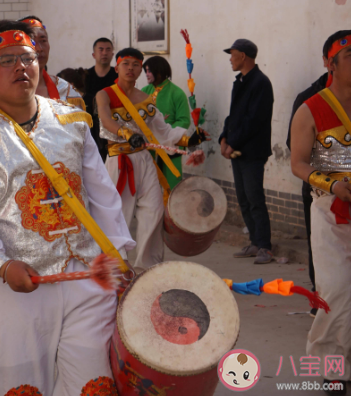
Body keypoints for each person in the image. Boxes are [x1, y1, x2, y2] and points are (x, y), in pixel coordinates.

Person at [0, 20, 135, 395]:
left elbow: (102, 194)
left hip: (87, 275)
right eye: (5, 60)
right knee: (22, 384)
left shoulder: (71, 119)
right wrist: (1, 265)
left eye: (27, 57)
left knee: (94, 381)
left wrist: (117, 252)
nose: (21, 67)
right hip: (16, 285)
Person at [96, 48, 206, 270]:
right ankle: (116, 266)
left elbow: (163, 132)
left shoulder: (146, 98)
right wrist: (127, 133)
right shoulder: (105, 94)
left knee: (154, 210)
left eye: (136, 64)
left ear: (141, 69)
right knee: (120, 213)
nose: (131, 68)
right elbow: (106, 121)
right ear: (117, 67)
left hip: (145, 161)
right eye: (126, 64)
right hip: (120, 162)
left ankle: (147, 266)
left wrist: (190, 140)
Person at [290, 30, 351, 395]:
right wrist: (332, 184)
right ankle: (330, 369)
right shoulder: (311, 107)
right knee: (337, 292)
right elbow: (297, 163)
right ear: (330, 63)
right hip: (330, 210)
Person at [219, 39, 274, 264]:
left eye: (232, 54)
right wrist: (224, 137)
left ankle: (265, 247)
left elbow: (254, 120)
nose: (230, 59)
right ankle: (254, 241)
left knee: (254, 198)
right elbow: (234, 115)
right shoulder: (239, 82)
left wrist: (234, 143)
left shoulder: (260, 83)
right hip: (236, 149)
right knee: (243, 198)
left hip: (252, 151)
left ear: (243, 55)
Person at [286, 50, 330, 319]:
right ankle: (320, 297)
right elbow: (296, 150)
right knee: (321, 246)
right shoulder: (309, 99)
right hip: (321, 189)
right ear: (329, 61)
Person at [142, 55, 191, 189]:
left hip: (171, 146)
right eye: (145, 71)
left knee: (171, 186)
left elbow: (184, 120)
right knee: (149, 187)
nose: (146, 74)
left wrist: (164, 132)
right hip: (148, 148)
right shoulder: (143, 92)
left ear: (160, 71)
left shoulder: (177, 93)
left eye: (149, 70)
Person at [19, 16, 86, 110]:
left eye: (43, 41)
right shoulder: (5, 93)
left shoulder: (65, 90)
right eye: (32, 42)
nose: (39, 48)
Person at [85, 38, 117, 159]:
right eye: (101, 49)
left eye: (108, 50)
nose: (104, 53)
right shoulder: (85, 76)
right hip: (90, 127)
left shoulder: (118, 76)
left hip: (113, 126)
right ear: (94, 54)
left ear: (112, 54)